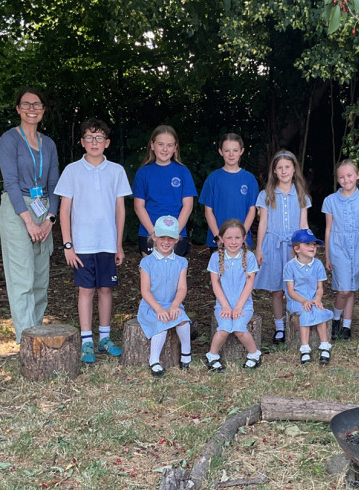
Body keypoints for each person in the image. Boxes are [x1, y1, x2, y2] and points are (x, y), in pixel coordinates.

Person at [55, 119, 130, 364]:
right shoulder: (72, 170)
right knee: (86, 290)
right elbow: (64, 210)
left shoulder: (117, 170)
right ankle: (86, 341)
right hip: (82, 244)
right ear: (82, 142)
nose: (94, 142)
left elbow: (120, 210)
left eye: (99, 138)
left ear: (107, 143)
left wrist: (118, 244)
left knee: (106, 289)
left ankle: (105, 339)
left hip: (107, 243)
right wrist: (68, 244)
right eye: (89, 137)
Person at [0, 87, 60, 343]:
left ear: (43, 110)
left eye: (37, 105)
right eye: (26, 104)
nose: (31, 109)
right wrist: (27, 221)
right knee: (22, 277)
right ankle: (25, 340)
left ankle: (37, 333)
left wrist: (50, 219)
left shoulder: (50, 144)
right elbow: (10, 183)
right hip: (17, 209)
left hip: (43, 207)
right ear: (18, 109)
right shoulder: (9, 140)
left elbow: (55, 184)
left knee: (40, 278)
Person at [254, 151, 311, 345]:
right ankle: (279, 328)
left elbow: (304, 224)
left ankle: (295, 324)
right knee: (277, 290)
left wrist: (306, 247)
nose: (284, 171)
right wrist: (259, 248)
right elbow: (262, 223)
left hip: (294, 247)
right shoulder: (266, 195)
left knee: (295, 287)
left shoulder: (301, 194)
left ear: (294, 169)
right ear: (274, 171)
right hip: (273, 245)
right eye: (280, 167)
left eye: (288, 167)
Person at [323, 159, 359, 341]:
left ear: (358, 175)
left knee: (352, 288)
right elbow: (328, 229)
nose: (346, 180)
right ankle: (335, 318)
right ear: (337, 179)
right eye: (341, 177)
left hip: (358, 246)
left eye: (349, 175)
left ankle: (346, 326)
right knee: (344, 289)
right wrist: (327, 255)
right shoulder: (330, 200)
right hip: (338, 246)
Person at [137, 216, 192, 377]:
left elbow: (182, 288)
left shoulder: (181, 262)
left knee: (183, 320)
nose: (166, 242)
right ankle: (154, 360)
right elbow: (145, 291)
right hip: (152, 306)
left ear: (177, 239)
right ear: (154, 237)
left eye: (171, 238)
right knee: (161, 322)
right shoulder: (147, 263)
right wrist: (159, 309)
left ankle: (186, 354)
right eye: (162, 237)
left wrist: (175, 305)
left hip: (172, 303)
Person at [205, 219, 262, 372]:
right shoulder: (215, 257)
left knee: (238, 328)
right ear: (221, 239)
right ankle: (212, 356)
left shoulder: (249, 257)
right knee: (223, 329)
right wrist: (225, 305)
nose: (233, 241)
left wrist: (238, 307)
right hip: (222, 305)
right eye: (229, 238)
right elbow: (215, 283)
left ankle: (254, 354)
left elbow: (249, 285)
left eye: (237, 237)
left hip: (244, 305)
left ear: (244, 238)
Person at [133, 125, 197, 258]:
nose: (165, 149)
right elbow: (139, 206)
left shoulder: (183, 171)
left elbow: (188, 205)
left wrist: (174, 232)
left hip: (177, 234)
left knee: (176, 277)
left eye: (169, 145)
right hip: (149, 234)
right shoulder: (143, 173)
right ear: (152, 145)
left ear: (175, 147)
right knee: (151, 277)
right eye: (160, 144)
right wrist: (153, 233)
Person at [283, 229, 333, 365]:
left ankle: (325, 346)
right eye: (307, 244)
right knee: (305, 312)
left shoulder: (317, 264)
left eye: (314, 244)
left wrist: (317, 299)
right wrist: (304, 301)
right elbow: (291, 291)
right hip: (297, 300)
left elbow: (320, 288)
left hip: (312, 298)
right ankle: (305, 348)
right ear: (296, 248)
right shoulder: (290, 266)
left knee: (318, 311)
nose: (312, 247)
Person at [200, 133, 259, 249]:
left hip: (242, 240)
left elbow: (252, 210)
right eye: (227, 150)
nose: (231, 154)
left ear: (241, 151)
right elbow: (208, 211)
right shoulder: (213, 178)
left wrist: (241, 236)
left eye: (235, 150)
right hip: (219, 240)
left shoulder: (249, 179)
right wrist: (218, 237)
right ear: (220, 151)